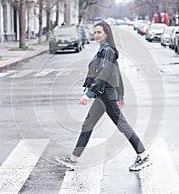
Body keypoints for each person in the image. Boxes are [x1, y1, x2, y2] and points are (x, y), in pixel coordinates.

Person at [55, 21, 150, 171]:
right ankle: (73, 159)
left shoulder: (108, 51)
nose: (96, 35)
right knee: (87, 125)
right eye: (95, 33)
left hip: (106, 95)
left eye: (99, 32)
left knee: (122, 125)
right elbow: (116, 72)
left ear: (106, 33)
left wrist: (89, 94)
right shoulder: (104, 49)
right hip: (102, 96)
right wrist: (120, 95)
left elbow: (104, 73)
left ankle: (142, 155)